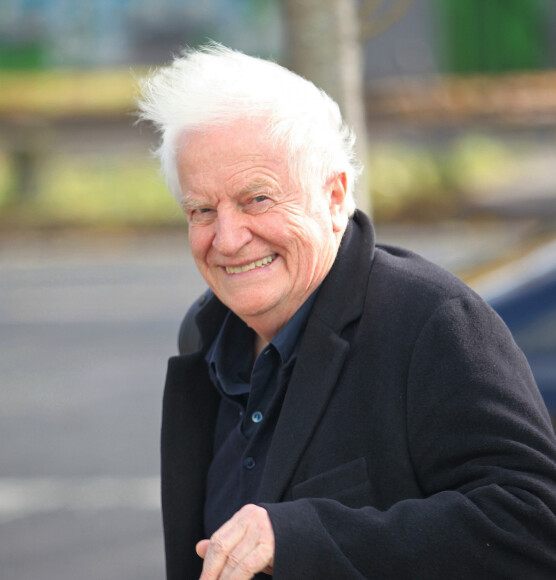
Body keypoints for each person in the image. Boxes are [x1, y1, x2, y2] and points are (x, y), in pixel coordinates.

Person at [138, 43, 556, 579]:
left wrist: (302, 538)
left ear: (335, 197)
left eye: (256, 200)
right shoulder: (205, 332)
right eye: (202, 210)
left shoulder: (431, 321)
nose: (228, 238)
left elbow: (534, 525)